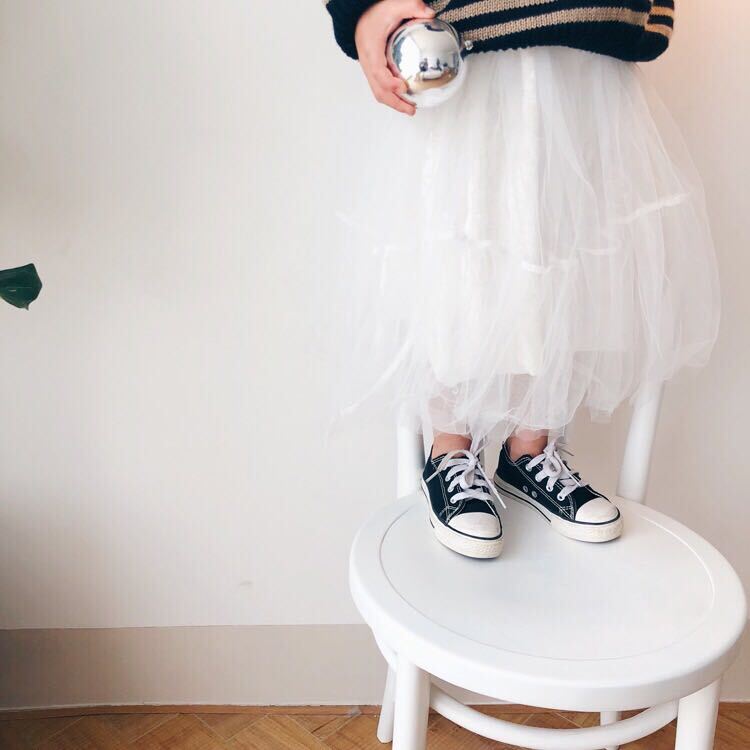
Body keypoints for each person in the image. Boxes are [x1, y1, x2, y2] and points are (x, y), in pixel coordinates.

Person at [323, 0, 719, 558]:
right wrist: (362, 12)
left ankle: (531, 448)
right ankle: (451, 449)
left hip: (587, 34)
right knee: (458, 236)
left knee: (567, 236)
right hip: (455, 39)